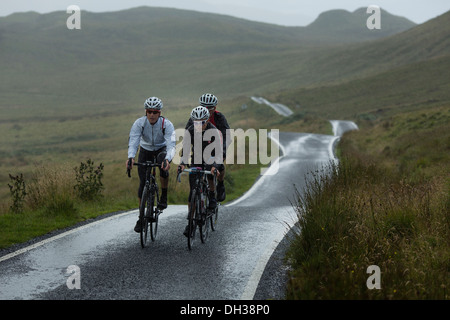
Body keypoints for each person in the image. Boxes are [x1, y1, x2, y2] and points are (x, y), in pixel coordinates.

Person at [127, 97, 176, 233]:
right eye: (149, 112)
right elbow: (134, 141)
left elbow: (171, 145)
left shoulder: (167, 124)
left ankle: (164, 195)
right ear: (146, 112)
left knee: (163, 167)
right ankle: (141, 217)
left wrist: (167, 159)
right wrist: (131, 157)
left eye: (155, 112)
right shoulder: (139, 123)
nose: (152, 115)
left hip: (161, 150)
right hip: (145, 150)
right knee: (143, 183)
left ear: (159, 113)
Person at [179, 106, 225, 237]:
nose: (198, 125)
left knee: (210, 173)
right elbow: (186, 150)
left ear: (207, 121)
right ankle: (191, 222)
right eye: (196, 122)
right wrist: (182, 164)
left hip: (212, 156)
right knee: (192, 189)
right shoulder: (190, 130)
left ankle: (212, 195)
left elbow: (219, 153)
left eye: (202, 122)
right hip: (197, 158)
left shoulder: (214, 131)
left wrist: (215, 166)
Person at [185, 93, 230, 202]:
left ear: (215, 108)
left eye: (210, 109)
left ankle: (220, 184)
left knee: (219, 166)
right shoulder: (196, 117)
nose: (207, 111)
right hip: (200, 149)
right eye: (204, 107)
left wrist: (222, 153)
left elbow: (226, 137)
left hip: (216, 146)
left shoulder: (219, 118)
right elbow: (188, 135)